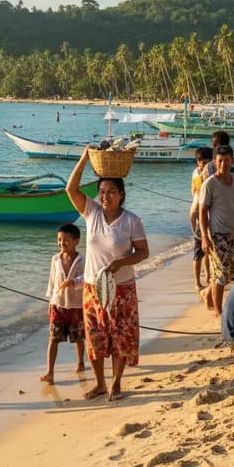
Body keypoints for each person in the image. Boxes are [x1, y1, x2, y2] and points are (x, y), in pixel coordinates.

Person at [66, 147, 149, 401]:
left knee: (121, 336)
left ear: (121, 195)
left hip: (121, 287)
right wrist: (84, 157)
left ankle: (116, 382)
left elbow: (143, 252)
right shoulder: (91, 213)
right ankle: (100, 383)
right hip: (92, 287)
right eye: (102, 192)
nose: (105, 196)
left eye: (111, 192)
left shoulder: (131, 221)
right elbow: (71, 189)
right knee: (95, 337)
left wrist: (120, 262)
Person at [199, 145, 234, 316]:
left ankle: (207, 293)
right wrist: (204, 236)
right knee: (222, 274)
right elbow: (203, 212)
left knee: (230, 274)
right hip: (217, 234)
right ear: (215, 163)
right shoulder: (210, 184)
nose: (223, 163)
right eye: (220, 161)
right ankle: (218, 311)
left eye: (226, 160)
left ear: (232, 160)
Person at [41, 223, 86, 384]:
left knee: (78, 338)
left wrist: (73, 282)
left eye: (66, 240)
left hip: (76, 306)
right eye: (59, 240)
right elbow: (52, 282)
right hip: (58, 305)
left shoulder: (82, 260)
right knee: (53, 339)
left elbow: (87, 279)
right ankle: (50, 372)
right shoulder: (55, 259)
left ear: (76, 241)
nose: (62, 243)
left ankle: (81, 363)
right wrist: (50, 302)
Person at [190, 146, 213, 291]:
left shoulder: (212, 175)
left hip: (212, 217)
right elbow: (195, 193)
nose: (202, 164)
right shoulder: (196, 174)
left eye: (204, 161)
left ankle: (209, 276)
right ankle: (197, 282)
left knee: (208, 252)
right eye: (199, 161)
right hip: (200, 216)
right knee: (198, 251)